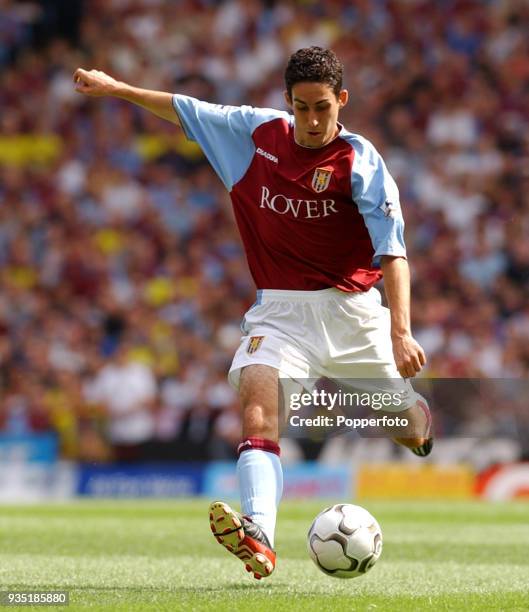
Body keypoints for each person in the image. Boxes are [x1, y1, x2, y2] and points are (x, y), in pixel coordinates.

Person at [74, 46, 433, 580]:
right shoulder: (255, 135)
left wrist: (401, 331)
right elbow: (183, 107)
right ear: (288, 101)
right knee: (258, 401)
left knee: (406, 428)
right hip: (281, 312)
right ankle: (260, 534)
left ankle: (421, 420)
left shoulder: (361, 161)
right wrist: (117, 89)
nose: (313, 121)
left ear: (343, 101)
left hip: (355, 315)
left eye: (324, 109)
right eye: (303, 107)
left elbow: (393, 252)